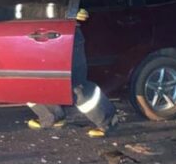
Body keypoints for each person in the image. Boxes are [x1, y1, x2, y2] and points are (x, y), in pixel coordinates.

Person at [27, 9, 118, 137]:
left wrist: (70, 10)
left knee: (76, 85)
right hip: (32, 36)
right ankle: (52, 115)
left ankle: (108, 121)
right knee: (28, 80)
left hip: (63, 34)